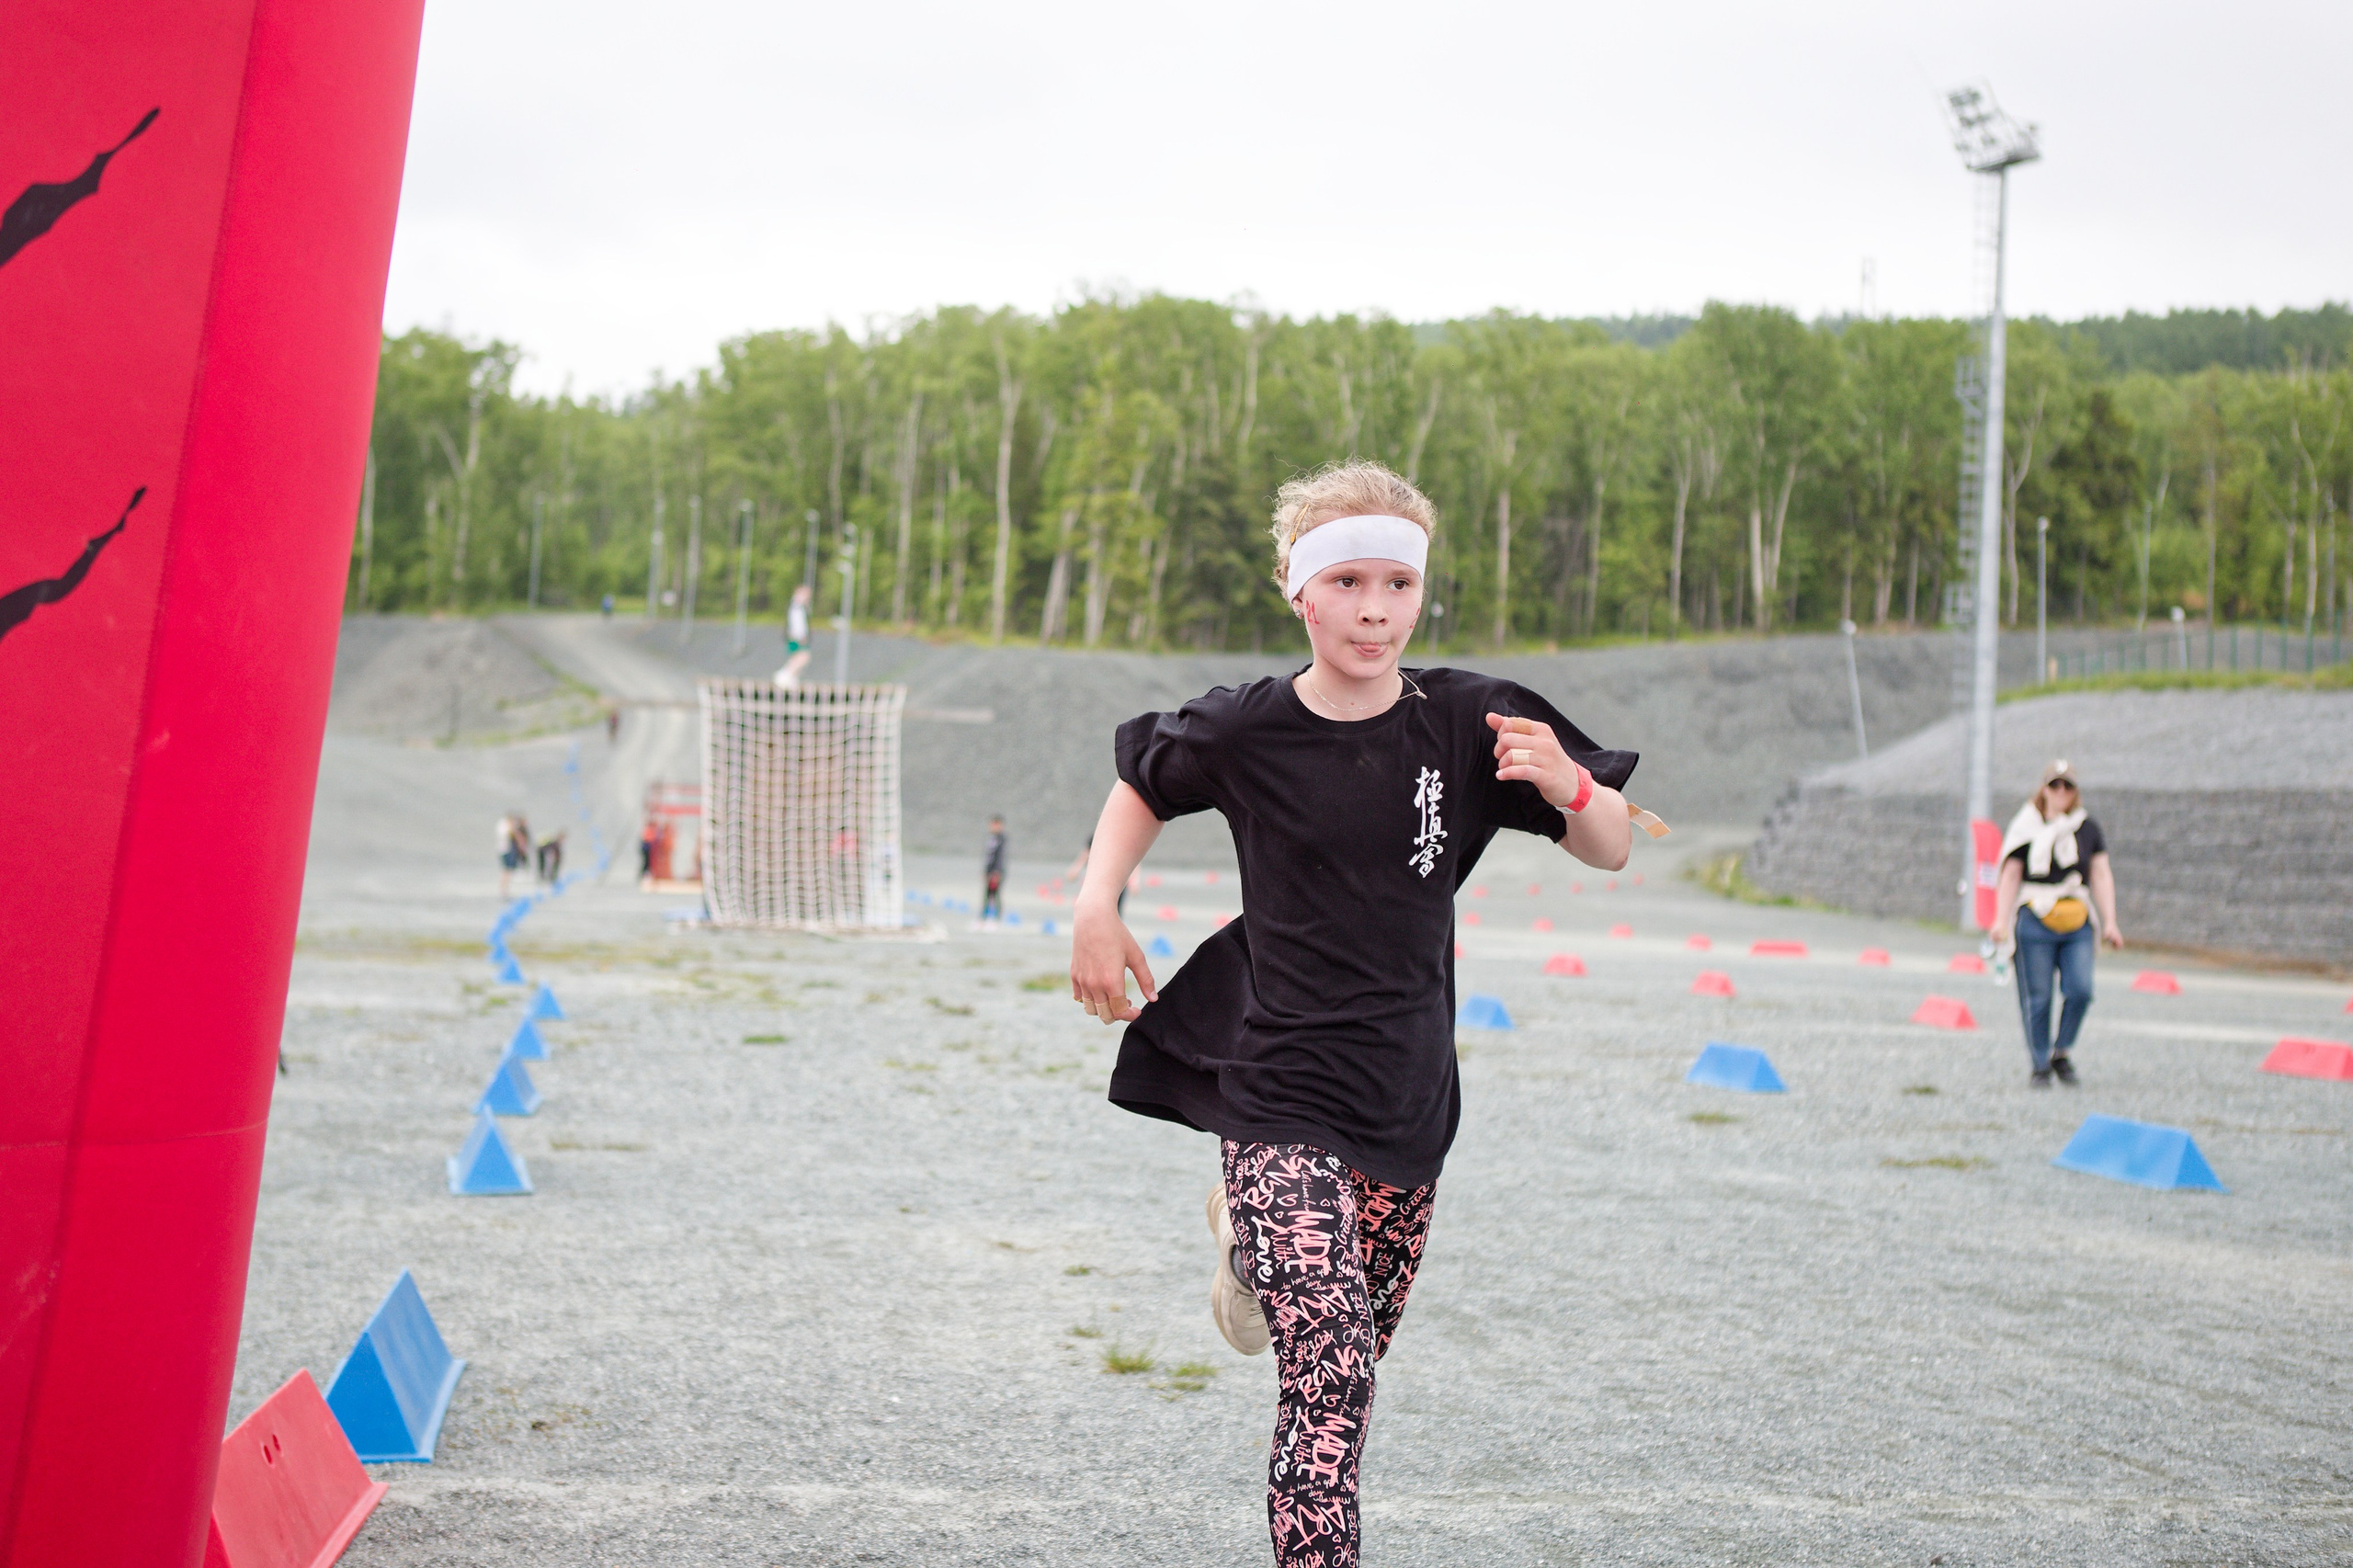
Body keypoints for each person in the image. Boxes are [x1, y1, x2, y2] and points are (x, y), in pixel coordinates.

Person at [1068, 461, 1643, 1568]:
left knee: (1350, 1354)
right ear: (1300, 592)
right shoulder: (1247, 729)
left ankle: (1246, 1258)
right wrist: (1098, 902)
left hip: (1409, 1103)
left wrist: (1574, 787)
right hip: (1276, 1086)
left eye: (1395, 583)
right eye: (1346, 582)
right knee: (1327, 1369)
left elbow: (1610, 840)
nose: (1373, 609)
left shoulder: (1473, 718)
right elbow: (1141, 776)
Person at [1991, 758, 2123, 1087]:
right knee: (2038, 997)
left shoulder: (2087, 827)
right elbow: (2010, 875)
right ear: (2044, 788)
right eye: (2055, 785)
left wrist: (2111, 921)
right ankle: (2039, 1064)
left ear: (2075, 791)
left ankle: (2060, 1051)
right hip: (2035, 915)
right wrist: (2000, 920)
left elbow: (2101, 874)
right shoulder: (2026, 825)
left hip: (2076, 914)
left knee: (2080, 989)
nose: (2061, 791)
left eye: (2067, 785)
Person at [774, 583, 813, 689]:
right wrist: (801, 637)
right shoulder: (797, 608)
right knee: (803, 657)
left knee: (797, 657)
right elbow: (798, 624)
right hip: (796, 637)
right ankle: (784, 675)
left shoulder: (798, 606)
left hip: (794, 637)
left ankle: (791, 678)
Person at [496, 812, 530, 899]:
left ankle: (505, 890)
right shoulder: (504, 826)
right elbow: (510, 835)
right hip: (506, 850)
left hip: (508, 850)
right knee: (506, 871)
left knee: (508, 871)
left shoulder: (508, 826)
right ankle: (503, 891)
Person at [980, 814, 1007, 923]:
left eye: (997, 825)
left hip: (997, 872)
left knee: (995, 894)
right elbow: (988, 857)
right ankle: (984, 916)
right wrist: (985, 871)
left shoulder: (1002, 839)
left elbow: (1001, 858)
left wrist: (997, 872)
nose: (994, 827)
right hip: (989, 871)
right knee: (987, 894)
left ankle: (997, 917)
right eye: (993, 824)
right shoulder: (989, 838)